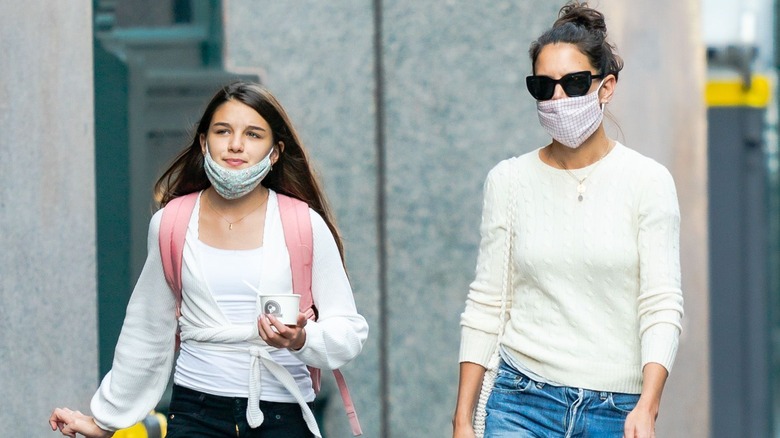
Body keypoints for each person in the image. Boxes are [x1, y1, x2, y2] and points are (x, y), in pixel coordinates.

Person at [50, 81, 369, 438]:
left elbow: (348, 332)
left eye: (253, 134)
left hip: (284, 415)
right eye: (223, 131)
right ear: (204, 142)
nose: (235, 144)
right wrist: (106, 421)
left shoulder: (304, 225)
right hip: (194, 414)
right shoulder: (171, 223)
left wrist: (300, 339)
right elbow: (147, 330)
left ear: (275, 152)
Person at [452, 2, 684, 437]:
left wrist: (648, 407)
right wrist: (462, 417)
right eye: (544, 86)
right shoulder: (510, 180)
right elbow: (487, 302)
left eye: (575, 83)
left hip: (616, 409)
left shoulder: (648, 182)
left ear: (606, 86)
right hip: (521, 401)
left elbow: (661, 304)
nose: (558, 99)